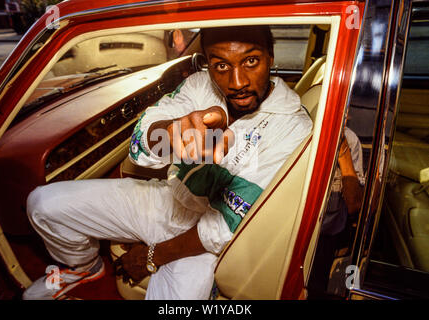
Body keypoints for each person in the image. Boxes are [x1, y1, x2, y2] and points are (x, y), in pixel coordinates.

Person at [22, 25, 312, 300]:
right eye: (221, 65)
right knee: (43, 205)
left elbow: (226, 226)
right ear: (209, 64)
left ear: (271, 57)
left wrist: (151, 255)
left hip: (204, 242)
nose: (237, 83)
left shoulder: (294, 128)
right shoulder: (201, 85)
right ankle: (83, 268)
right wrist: (170, 132)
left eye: (251, 61)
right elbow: (140, 145)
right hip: (168, 198)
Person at [307, 126, 364, 299]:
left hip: (325, 237)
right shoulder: (299, 130)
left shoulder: (350, 139)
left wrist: (343, 156)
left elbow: (354, 204)